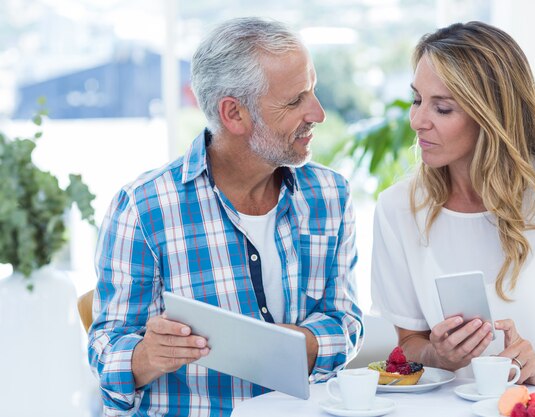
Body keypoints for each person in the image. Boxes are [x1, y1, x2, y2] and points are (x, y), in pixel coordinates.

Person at [88, 17, 363, 417]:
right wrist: (147, 355)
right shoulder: (144, 209)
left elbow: (347, 322)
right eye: (295, 100)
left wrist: (286, 345)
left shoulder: (330, 195)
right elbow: (104, 350)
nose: (317, 113)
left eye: (313, 90)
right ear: (234, 114)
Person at [370, 21, 535, 405]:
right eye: (416, 100)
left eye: (442, 107)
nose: (418, 120)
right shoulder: (398, 209)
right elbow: (406, 343)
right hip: (461, 409)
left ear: (491, 115)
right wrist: (437, 355)